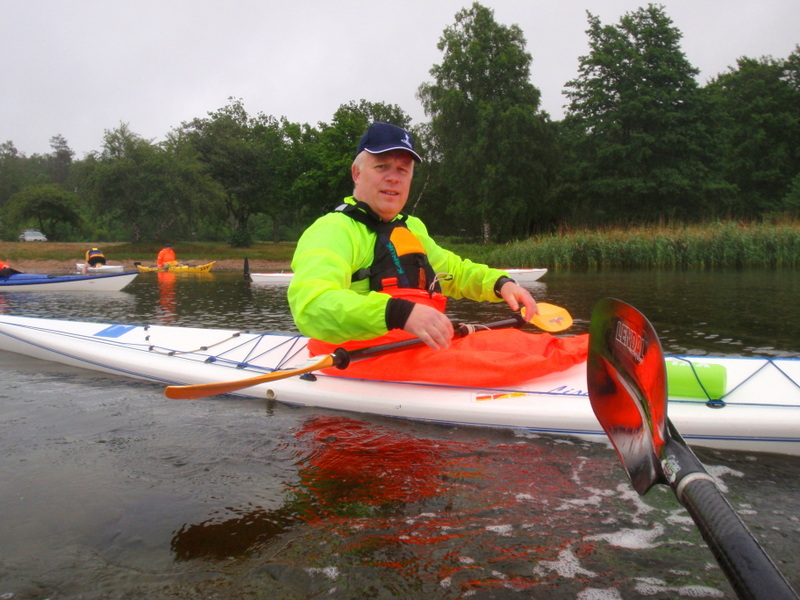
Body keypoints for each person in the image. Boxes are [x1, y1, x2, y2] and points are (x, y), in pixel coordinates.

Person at [288, 122, 587, 386]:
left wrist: (500, 284)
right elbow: (311, 304)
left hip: (416, 345)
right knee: (510, 362)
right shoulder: (332, 231)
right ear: (357, 172)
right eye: (382, 166)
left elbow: (453, 270)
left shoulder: (411, 228)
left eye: (403, 170)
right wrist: (397, 312)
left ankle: (599, 353)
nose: (394, 177)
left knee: (522, 343)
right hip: (357, 353)